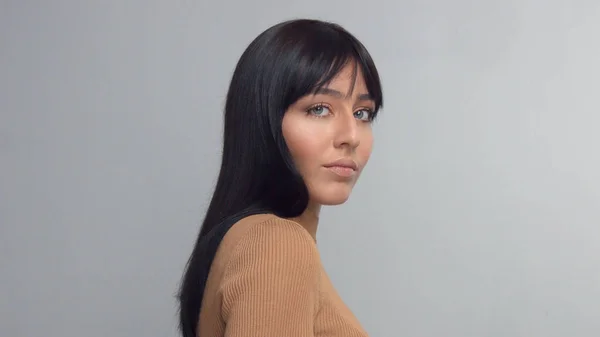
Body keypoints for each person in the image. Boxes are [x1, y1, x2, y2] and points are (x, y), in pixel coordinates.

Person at [177, 18, 383, 337]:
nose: (351, 136)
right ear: (264, 118)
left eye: (362, 113)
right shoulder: (277, 244)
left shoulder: (255, 240)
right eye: (319, 109)